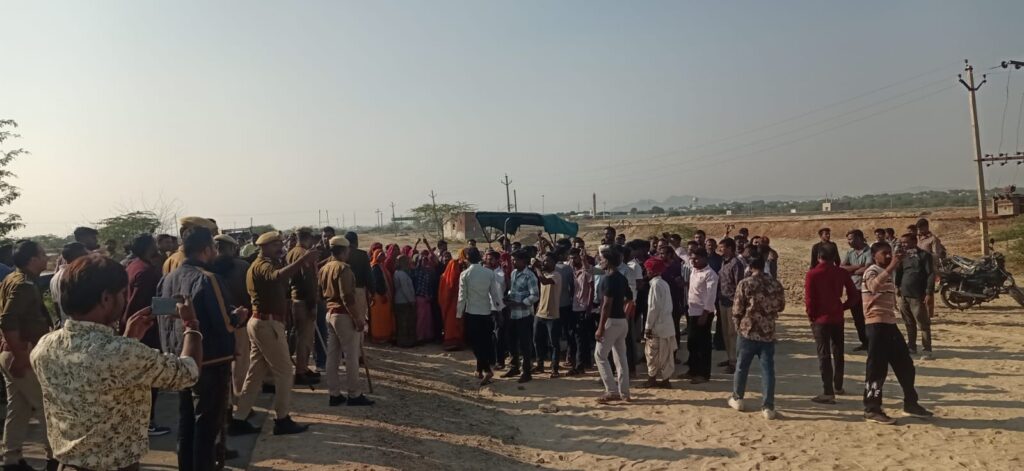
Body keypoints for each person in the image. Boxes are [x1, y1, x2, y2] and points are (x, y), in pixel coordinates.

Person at [31, 254, 202, 471]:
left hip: (67, 465)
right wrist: (191, 324)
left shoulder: (44, 346)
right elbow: (188, 373)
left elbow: (101, 378)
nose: (124, 300)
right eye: (122, 294)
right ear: (106, 298)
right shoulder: (122, 353)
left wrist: (127, 340)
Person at [157, 227, 244, 470]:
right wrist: (238, 317)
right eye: (213, 248)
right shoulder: (208, 278)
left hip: (179, 359)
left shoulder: (167, 279)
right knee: (207, 426)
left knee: (186, 423)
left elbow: (163, 318)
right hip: (210, 361)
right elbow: (224, 323)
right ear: (206, 249)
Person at [230, 231, 318, 436]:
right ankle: (282, 419)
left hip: (262, 323)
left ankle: (239, 418)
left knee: (255, 373)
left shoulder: (265, 264)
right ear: (264, 247)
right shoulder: (263, 265)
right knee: (285, 372)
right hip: (267, 324)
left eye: (280, 244)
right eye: (275, 245)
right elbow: (277, 276)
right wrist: (302, 260)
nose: (280, 247)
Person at [861, 242, 933, 424]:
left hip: (889, 324)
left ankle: (911, 403)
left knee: (905, 365)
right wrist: (893, 264)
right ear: (874, 255)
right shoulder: (871, 271)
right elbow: (873, 286)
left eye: (889, 253)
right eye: (884, 253)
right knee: (876, 370)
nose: (888, 256)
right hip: (876, 325)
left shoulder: (886, 272)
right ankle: (872, 408)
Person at [0, 241, 55, 470]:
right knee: (46, 405)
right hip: (22, 351)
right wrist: (21, 355)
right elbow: (7, 319)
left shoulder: (13, 278)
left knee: (19, 407)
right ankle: (55, 458)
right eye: (43, 254)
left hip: (11, 351)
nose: (46, 258)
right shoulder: (23, 284)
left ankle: (11, 459)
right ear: (32, 259)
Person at [122, 234, 174, 439]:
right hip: (145, 331)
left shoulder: (133, 266)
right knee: (149, 378)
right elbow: (144, 305)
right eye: (154, 244)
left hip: (135, 328)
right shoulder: (146, 272)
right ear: (147, 248)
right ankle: (147, 422)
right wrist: (176, 307)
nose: (157, 247)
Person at [318, 235, 374, 407]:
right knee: (351, 356)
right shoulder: (343, 269)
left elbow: (320, 294)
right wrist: (357, 318)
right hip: (344, 315)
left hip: (330, 313)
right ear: (344, 250)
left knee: (333, 356)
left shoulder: (324, 268)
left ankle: (334, 393)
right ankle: (354, 394)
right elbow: (347, 297)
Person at [729, 256, 786, 420]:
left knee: (741, 366)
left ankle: (738, 398)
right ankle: (768, 406)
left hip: (747, 330)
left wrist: (737, 325)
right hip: (767, 332)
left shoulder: (745, 283)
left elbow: (737, 309)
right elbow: (781, 306)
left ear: (750, 266)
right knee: (768, 370)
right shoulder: (775, 284)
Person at [805, 244, 860, 405]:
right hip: (837, 317)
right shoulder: (841, 272)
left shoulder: (812, 274)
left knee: (824, 354)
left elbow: (809, 299)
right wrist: (843, 306)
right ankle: (838, 385)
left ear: (818, 257)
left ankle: (828, 391)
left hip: (820, 318)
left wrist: (811, 316)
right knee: (838, 351)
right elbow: (854, 295)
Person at [210, 234, 252, 404]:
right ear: (233, 248)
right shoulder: (242, 266)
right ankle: (239, 401)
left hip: (216, 323)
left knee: (221, 362)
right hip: (240, 320)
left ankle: (224, 402)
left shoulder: (207, 267)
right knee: (240, 361)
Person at [456, 248, 502, 385]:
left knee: (476, 344)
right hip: (486, 312)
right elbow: (495, 294)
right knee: (484, 342)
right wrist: (499, 310)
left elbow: (462, 297)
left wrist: (458, 314)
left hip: (472, 313)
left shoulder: (465, 274)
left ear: (467, 258)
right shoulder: (489, 273)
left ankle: (487, 370)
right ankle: (479, 370)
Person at [594, 248, 632, 403]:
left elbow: (606, 305)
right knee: (621, 357)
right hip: (622, 321)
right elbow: (630, 298)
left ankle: (611, 390)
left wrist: (600, 327)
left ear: (608, 261)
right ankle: (625, 392)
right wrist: (621, 309)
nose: (600, 261)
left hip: (610, 321)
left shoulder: (607, 279)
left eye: (602, 259)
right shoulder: (621, 277)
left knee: (600, 355)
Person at [285, 228, 321, 385]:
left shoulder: (292, 252)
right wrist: (312, 304)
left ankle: (304, 368)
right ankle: (301, 371)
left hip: (296, 298)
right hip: (304, 301)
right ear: (309, 238)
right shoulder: (304, 254)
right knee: (304, 338)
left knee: (302, 336)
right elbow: (309, 281)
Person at [895, 233, 936, 360]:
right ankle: (911, 347)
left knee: (923, 324)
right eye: (902, 242)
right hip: (904, 294)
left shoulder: (924, 256)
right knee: (908, 323)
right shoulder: (903, 256)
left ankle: (927, 349)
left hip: (918, 295)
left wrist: (929, 292)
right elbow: (899, 272)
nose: (903, 244)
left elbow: (930, 274)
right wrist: (897, 286)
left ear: (914, 241)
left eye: (905, 242)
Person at [683, 248, 718, 384]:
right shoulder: (694, 270)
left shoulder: (710, 275)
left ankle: (703, 374)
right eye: (692, 258)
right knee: (692, 343)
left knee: (703, 344)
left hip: (703, 313)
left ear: (705, 258)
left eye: (696, 258)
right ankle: (692, 370)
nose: (693, 261)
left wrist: (705, 313)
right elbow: (682, 255)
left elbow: (710, 296)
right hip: (692, 311)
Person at [503, 250, 539, 383]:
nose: (513, 262)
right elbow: (514, 290)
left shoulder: (530, 276)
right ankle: (514, 367)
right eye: (512, 259)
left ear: (524, 261)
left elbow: (535, 295)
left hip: (524, 315)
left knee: (525, 345)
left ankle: (526, 371)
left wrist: (521, 303)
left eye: (516, 260)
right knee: (512, 342)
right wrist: (508, 296)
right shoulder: (513, 273)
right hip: (512, 314)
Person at [641, 257, 675, 389]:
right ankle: (666, 379)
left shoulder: (655, 285)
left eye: (647, 269)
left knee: (652, 353)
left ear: (651, 271)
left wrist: (648, 327)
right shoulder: (664, 283)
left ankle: (652, 379)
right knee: (666, 354)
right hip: (667, 324)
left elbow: (653, 308)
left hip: (657, 325)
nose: (646, 272)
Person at [717, 238, 746, 374]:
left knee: (732, 333)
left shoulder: (736, 264)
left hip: (732, 302)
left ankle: (735, 362)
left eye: (722, 247)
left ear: (729, 248)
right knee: (725, 332)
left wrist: (739, 304)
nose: (720, 249)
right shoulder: (724, 262)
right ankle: (730, 358)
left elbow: (739, 285)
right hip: (722, 301)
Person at [532, 252, 563, 377]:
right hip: (540, 313)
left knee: (554, 344)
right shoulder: (543, 273)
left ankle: (555, 369)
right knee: (537, 341)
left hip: (552, 315)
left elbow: (544, 282)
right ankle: (540, 365)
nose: (545, 263)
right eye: (544, 261)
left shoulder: (556, 275)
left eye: (548, 261)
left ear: (554, 263)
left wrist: (537, 268)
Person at [841, 230, 872, 351]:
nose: (849, 242)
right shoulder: (850, 253)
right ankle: (864, 342)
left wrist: (851, 270)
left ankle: (872, 342)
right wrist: (857, 267)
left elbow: (867, 269)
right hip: (853, 290)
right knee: (858, 319)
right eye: (848, 239)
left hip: (866, 290)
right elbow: (842, 268)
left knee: (868, 318)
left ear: (859, 238)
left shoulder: (869, 252)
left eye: (851, 239)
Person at [567, 248, 594, 376]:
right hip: (573, 307)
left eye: (575, 258)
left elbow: (592, 288)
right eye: (571, 258)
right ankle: (585, 362)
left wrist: (589, 307)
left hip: (583, 308)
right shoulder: (571, 271)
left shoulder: (587, 270)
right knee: (577, 336)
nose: (573, 260)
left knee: (580, 338)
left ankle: (579, 366)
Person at [49, 242, 89, 326]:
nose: (88, 258)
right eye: (85, 255)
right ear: (79, 257)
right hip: (81, 326)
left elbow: (56, 305)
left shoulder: (54, 278)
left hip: (66, 325)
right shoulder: (77, 276)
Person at [915, 218, 944, 321]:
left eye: (921, 228)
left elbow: (936, 255)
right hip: (917, 268)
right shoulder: (916, 238)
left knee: (929, 292)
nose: (919, 231)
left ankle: (929, 314)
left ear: (926, 227)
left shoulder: (933, 239)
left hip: (929, 268)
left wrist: (925, 257)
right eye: (918, 229)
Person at [439, 249, 466, 350]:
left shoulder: (444, 276)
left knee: (454, 323)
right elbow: (448, 291)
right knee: (453, 323)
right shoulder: (449, 277)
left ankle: (455, 342)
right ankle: (452, 342)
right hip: (453, 303)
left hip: (453, 303)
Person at [392, 255, 417, 348]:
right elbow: (405, 288)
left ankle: (404, 341)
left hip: (400, 300)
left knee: (403, 322)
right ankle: (404, 342)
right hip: (403, 301)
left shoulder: (398, 273)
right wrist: (411, 300)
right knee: (404, 322)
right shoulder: (401, 274)